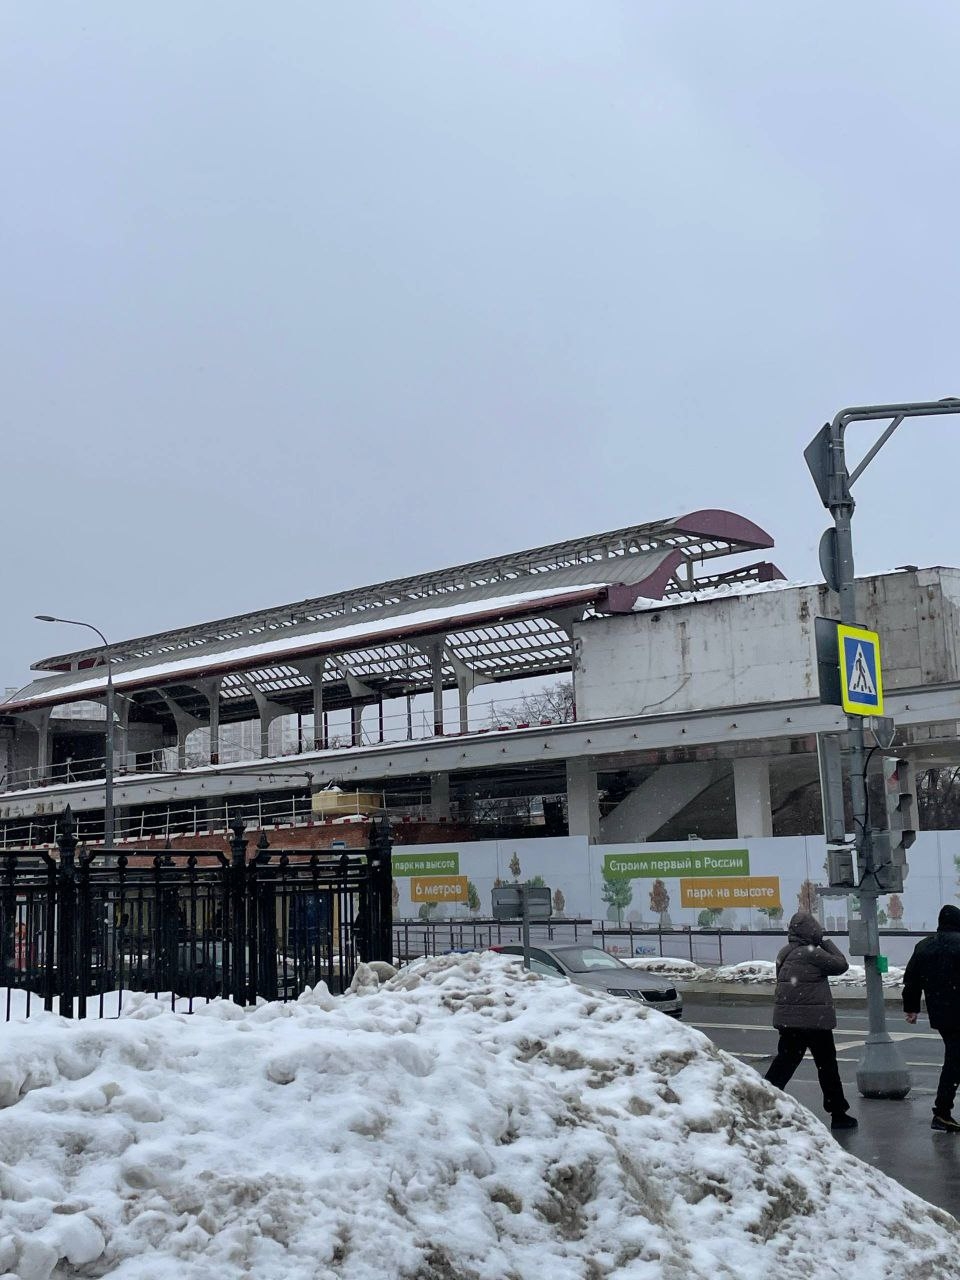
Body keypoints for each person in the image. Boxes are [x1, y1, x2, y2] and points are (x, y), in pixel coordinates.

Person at [763, 911, 857, 1130]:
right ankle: (838, 1114)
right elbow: (841, 965)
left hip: (789, 1021)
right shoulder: (813, 953)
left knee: (784, 1063)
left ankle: (764, 1100)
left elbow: (782, 979)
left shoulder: (784, 952)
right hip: (815, 1022)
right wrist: (826, 943)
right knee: (826, 1066)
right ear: (812, 932)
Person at [902, 904, 960, 1132]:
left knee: (955, 1060)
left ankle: (943, 1111)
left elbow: (911, 980)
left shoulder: (924, 946)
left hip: (942, 1015)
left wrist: (911, 1008)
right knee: (954, 1063)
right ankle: (942, 1112)